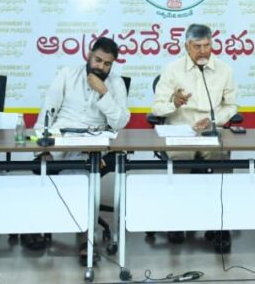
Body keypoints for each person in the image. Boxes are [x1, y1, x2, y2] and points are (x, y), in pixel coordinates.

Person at [29, 36, 130, 264]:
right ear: (88, 55)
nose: (101, 67)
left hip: (93, 144)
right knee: (44, 166)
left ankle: (87, 238)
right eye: (98, 60)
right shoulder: (67, 74)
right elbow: (47, 113)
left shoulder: (115, 84)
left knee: (81, 176)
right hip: (61, 139)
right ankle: (37, 225)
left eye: (107, 64)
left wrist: (104, 93)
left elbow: (120, 122)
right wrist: (41, 145)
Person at [151, 23, 239, 253]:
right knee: (181, 165)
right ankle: (178, 221)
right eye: (197, 46)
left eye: (207, 46)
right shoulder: (172, 69)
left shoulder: (224, 70)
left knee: (221, 166)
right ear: (186, 46)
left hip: (211, 130)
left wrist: (214, 120)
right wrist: (174, 103)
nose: (203, 51)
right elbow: (158, 108)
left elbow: (232, 106)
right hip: (181, 132)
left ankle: (220, 225)